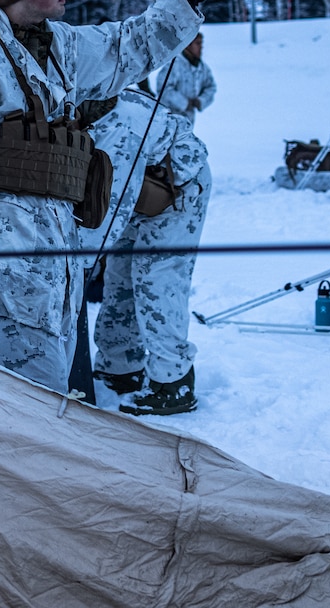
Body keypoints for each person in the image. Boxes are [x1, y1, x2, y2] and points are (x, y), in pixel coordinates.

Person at [0, 0, 208, 393]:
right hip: (4, 266)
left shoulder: (61, 47)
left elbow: (124, 47)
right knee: (22, 404)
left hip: (57, 261)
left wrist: (180, 8)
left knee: (51, 400)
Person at [84, 88, 211, 415]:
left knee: (156, 281)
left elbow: (110, 209)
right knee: (120, 277)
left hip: (179, 191)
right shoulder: (80, 106)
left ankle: (174, 382)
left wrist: (82, 261)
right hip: (141, 191)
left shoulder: (119, 131)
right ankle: (120, 367)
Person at [156, 31, 215, 124]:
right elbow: (164, 89)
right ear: (188, 45)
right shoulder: (174, 65)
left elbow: (211, 87)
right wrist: (185, 103)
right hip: (168, 118)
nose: (201, 47)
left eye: (201, 43)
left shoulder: (203, 68)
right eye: (198, 43)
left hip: (188, 120)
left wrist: (200, 101)